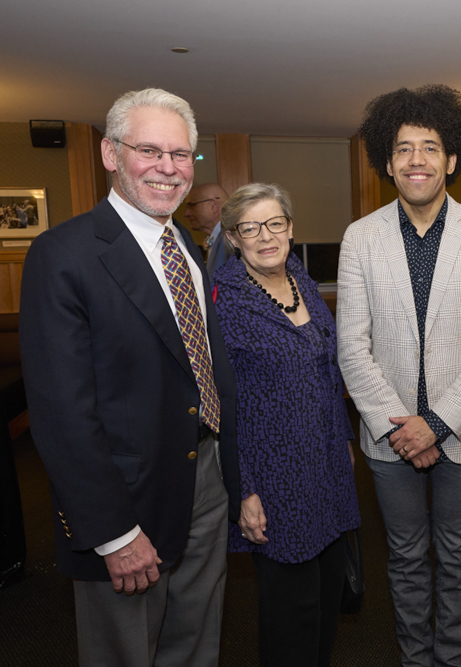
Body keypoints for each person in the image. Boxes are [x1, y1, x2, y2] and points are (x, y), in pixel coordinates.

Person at [18, 88, 240, 667]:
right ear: (111, 154)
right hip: (127, 500)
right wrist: (113, 533)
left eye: (181, 154)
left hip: (206, 477)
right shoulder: (62, 255)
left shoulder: (184, 246)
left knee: (197, 644)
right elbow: (62, 415)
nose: (169, 167)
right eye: (150, 151)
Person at [337, 84, 461, 667]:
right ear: (387, 163)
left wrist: (434, 424)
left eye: (430, 147)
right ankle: (416, 659)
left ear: (452, 159)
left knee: (458, 555)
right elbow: (352, 348)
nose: (417, 159)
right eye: (404, 148)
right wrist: (402, 429)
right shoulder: (360, 239)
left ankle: (456, 658)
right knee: (407, 557)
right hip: (388, 437)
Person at [212, 182, 360, 666]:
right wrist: (244, 490)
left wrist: (344, 437)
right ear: (233, 237)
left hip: (327, 466)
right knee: (290, 612)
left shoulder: (302, 280)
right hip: (273, 478)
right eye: (250, 227)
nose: (265, 236)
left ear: (290, 228)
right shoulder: (224, 301)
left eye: (275, 223)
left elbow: (327, 369)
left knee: (326, 597)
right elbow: (222, 405)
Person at [184, 182, 230, 282]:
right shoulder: (219, 237)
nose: (186, 213)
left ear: (214, 206)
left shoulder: (232, 239)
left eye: (192, 206)